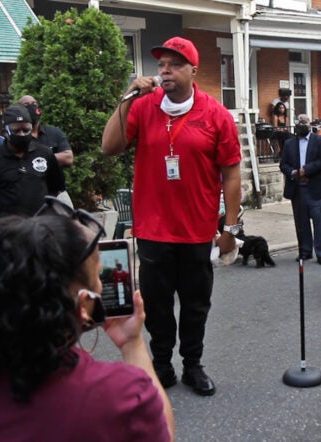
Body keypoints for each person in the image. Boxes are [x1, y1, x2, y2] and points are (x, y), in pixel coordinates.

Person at [0, 204, 174, 441]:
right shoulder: (118, 396)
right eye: (97, 278)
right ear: (84, 305)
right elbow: (161, 431)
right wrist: (132, 343)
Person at [101, 36, 242, 396]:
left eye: (175, 64)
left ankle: (192, 364)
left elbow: (231, 174)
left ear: (193, 70)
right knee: (157, 305)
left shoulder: (216, 115)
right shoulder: (143, 106)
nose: (165, 70)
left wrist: (231, 228)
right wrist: (126, 97)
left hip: (197, 231)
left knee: (196, 306)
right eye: (162, 64)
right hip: (152, 230)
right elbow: (110, 147)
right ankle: (161, 365)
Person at [0, 105, 65, 218]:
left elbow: (55, 187)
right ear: (5, 132)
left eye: (26, 130)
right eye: (16, 131)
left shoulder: (45, 153)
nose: (22, 134)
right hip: (8, 228)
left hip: (40, 225)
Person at [280, 114, 321, 265]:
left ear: (310, 124)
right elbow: (283, 164)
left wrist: (306, 170)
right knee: (301, 223)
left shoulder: (320, 141)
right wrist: (294, 173)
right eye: (299, 122)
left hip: (317, 187)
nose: (302, 124)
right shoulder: (289, 143)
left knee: (319, 222)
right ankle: (305, 251)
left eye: (305, 122)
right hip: (298, 188)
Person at [17, 95, 74, 168]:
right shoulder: (18, 136)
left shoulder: (54, 132)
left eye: (34, 104)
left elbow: (68, 159)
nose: (32, 107)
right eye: (26, 105)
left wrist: (36, 158)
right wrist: (52, 157)